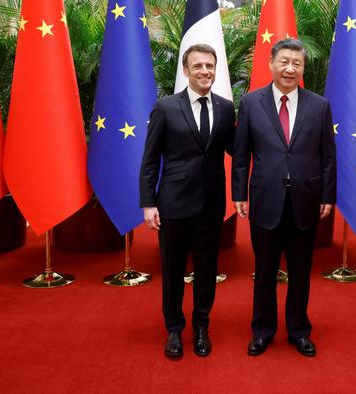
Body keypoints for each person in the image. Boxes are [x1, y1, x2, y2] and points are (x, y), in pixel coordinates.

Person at [232, 38, 336, 357]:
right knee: (264, 271)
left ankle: (298, 330)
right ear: (271, 64)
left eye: (297, 63)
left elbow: (328, 156)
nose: (290, 68)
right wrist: (239, 194)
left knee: (301, 272)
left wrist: (327, 195)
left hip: (306, 201)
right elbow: (241, 154)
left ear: (303, 68)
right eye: (284, 61)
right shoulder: (250, 103)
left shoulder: (319, 105)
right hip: (265, 200)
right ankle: (262, 330)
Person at [139, 44, 235, 358]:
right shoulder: (165, 107)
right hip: (173, 205)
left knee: (207, 270)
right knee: (173, 269)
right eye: (198, 66)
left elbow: (237, 149)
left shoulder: (224, 107)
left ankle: (202, 326)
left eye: (210, 65)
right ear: (185, 70)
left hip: (211, 205)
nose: (205, 71)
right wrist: (148, 202)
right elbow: (150, 159)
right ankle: (174, 330)